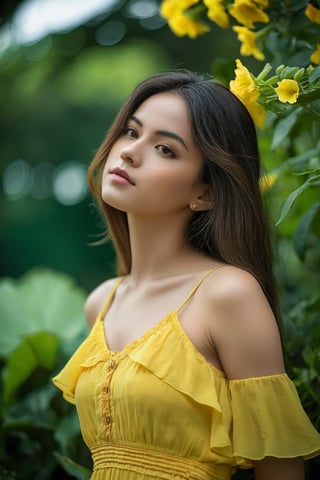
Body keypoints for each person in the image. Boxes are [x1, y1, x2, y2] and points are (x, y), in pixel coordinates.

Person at [53, 70, 320, 480]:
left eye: (164, 148)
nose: (128, 152)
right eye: (130, 131)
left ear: (205, 193)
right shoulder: (102, 303)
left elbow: (280, 471)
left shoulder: (228, 294)